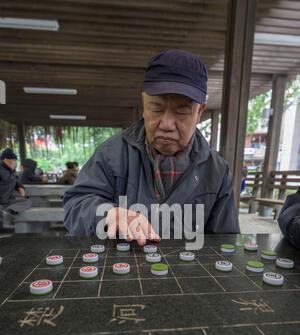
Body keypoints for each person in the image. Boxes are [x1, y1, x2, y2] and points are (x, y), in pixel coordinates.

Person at [64, 49, 240, 244]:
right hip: (123, 268)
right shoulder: (111, 154)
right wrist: (107, 214)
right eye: (156, 107)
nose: (166, 124)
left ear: (200, 112)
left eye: (182, 111)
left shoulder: (217, 171)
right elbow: (75, 205)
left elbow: (226, 240)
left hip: (184, 270)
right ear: (144, 103)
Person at [0, 148, 31, 216]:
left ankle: (8, 212)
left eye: (15, 160)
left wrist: (19, 187)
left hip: (7, 202)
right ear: (6, 160)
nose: (15, 163)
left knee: (27, 202)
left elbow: (14, 180)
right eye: (13, 160)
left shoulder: (10, 171)